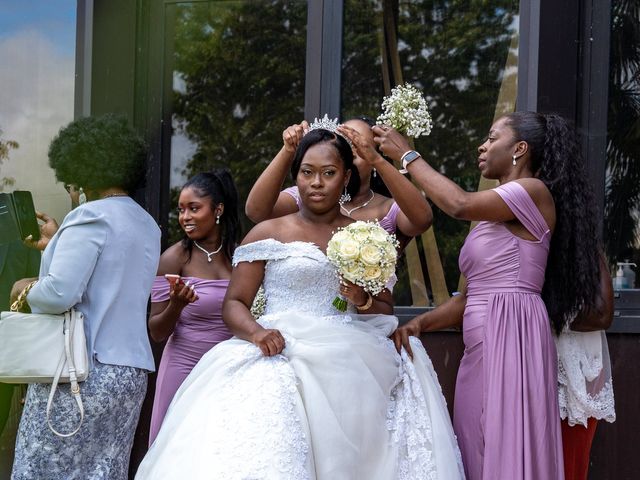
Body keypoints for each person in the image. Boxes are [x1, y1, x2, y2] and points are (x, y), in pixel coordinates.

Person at [135, 126, 464, 479]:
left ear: (346, 176)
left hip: (347, 355)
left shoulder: (365, 236)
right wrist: (256, 333)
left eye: (328, 173)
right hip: (276, 349)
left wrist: (362, 299)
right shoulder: (267, 232)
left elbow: (382, 308)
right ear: (296, 177)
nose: (317, 182)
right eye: (307, 172)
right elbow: (235, 303)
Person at [343, 111, 604, 479]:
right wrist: (420, 323)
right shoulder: (492, 211)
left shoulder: (532, 191)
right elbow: (468, 296)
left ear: (520, 149)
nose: (482, 145)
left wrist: (406, 156)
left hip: (513, 333)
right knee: (473, 441)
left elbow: (457, 204)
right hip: (480, 341)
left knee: (506, 442)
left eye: (492, 137)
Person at [10, 114, 161, 479]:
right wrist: (56, 242)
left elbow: (60, 293)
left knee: (44, 466)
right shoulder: (147, 223)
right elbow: (109, 277)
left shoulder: (88, 216)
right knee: (103, 469)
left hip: (80, 368)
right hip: (130, 373)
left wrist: (25, 290)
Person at [147, 169, 240, 445]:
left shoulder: (240, 255)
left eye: (193, 208)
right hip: (184, 366)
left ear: (218, 209)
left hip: (229, 368)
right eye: (181, 210)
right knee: (179, 446)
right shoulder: (173, 258)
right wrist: (176, 304)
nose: (185, 217)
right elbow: (156, 331)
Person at [245, 117, 432, 240]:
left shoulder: (389, 209)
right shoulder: (310, 195)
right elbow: (256, 212)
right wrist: (288, 150)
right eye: (344, 148)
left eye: (359, 149)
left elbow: (422, 220)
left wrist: (377, 160)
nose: (349, 157)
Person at [556, 252, 615, 480]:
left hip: (577, 374)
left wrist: (541, 315)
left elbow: (602, 315)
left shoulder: (585, 245)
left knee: (572, 465)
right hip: (532, 366)